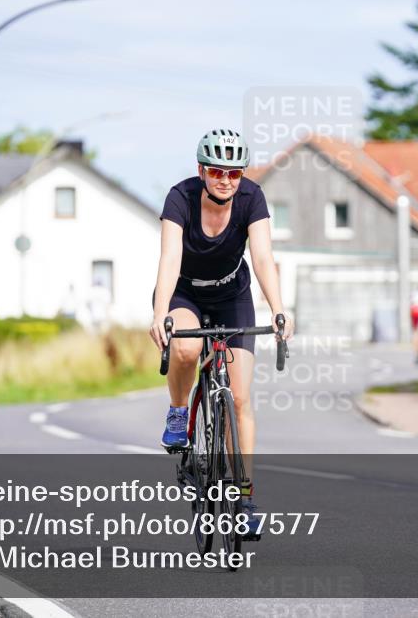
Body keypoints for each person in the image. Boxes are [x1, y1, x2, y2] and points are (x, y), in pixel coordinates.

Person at [149, 128, 294, 537]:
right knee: (187, 349)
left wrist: (279, 310)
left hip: (233, 295)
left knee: (242, 399)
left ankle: (244, 498)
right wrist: (161, 314)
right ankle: (179, 412)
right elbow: (169, 256)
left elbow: (264, 257)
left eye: (234, 173)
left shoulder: (252, 198)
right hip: (185, 294)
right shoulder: (180, 197)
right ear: (202, 170)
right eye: (217, 171)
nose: (225, 180)